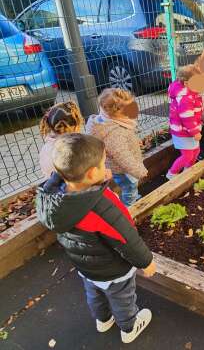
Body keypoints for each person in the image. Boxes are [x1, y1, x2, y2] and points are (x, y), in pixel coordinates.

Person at [36, 133, 156, 343]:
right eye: (102, 164)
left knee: (95, 293)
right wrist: (146, 262)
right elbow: (125, 237)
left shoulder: (54, 200)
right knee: (122, 297)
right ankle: (129, 327)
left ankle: (103, 320)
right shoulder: (100, 206)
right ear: (91, 174)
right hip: (114, 268)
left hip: (86, 267)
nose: (105, 167)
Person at [86, 88, 147, 207]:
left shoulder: (103, 121)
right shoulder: (114, 133)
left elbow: (121, 142)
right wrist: (140, 172)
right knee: (130, 188)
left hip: (116, 167)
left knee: (128, 186)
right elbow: (123, 157)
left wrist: (133, 141)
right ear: (118, 111)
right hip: (124, 170)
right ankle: (129, 207)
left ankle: (133, 198)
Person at [167, 64, 204, 179]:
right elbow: (186, 117)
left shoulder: (192, 93)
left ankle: (188, 170)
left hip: (188, 130)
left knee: (196, 151)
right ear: (186, 83)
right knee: (187, 155)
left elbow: (194, 112)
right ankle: (172, 173)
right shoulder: (184, 98)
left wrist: (198, 122)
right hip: (182, 132)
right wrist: (195, 131)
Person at [39, 101, 84, 179]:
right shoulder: (73, 148)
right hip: (69, 188)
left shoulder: (46, 147)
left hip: (50, 186)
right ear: (75, 125)